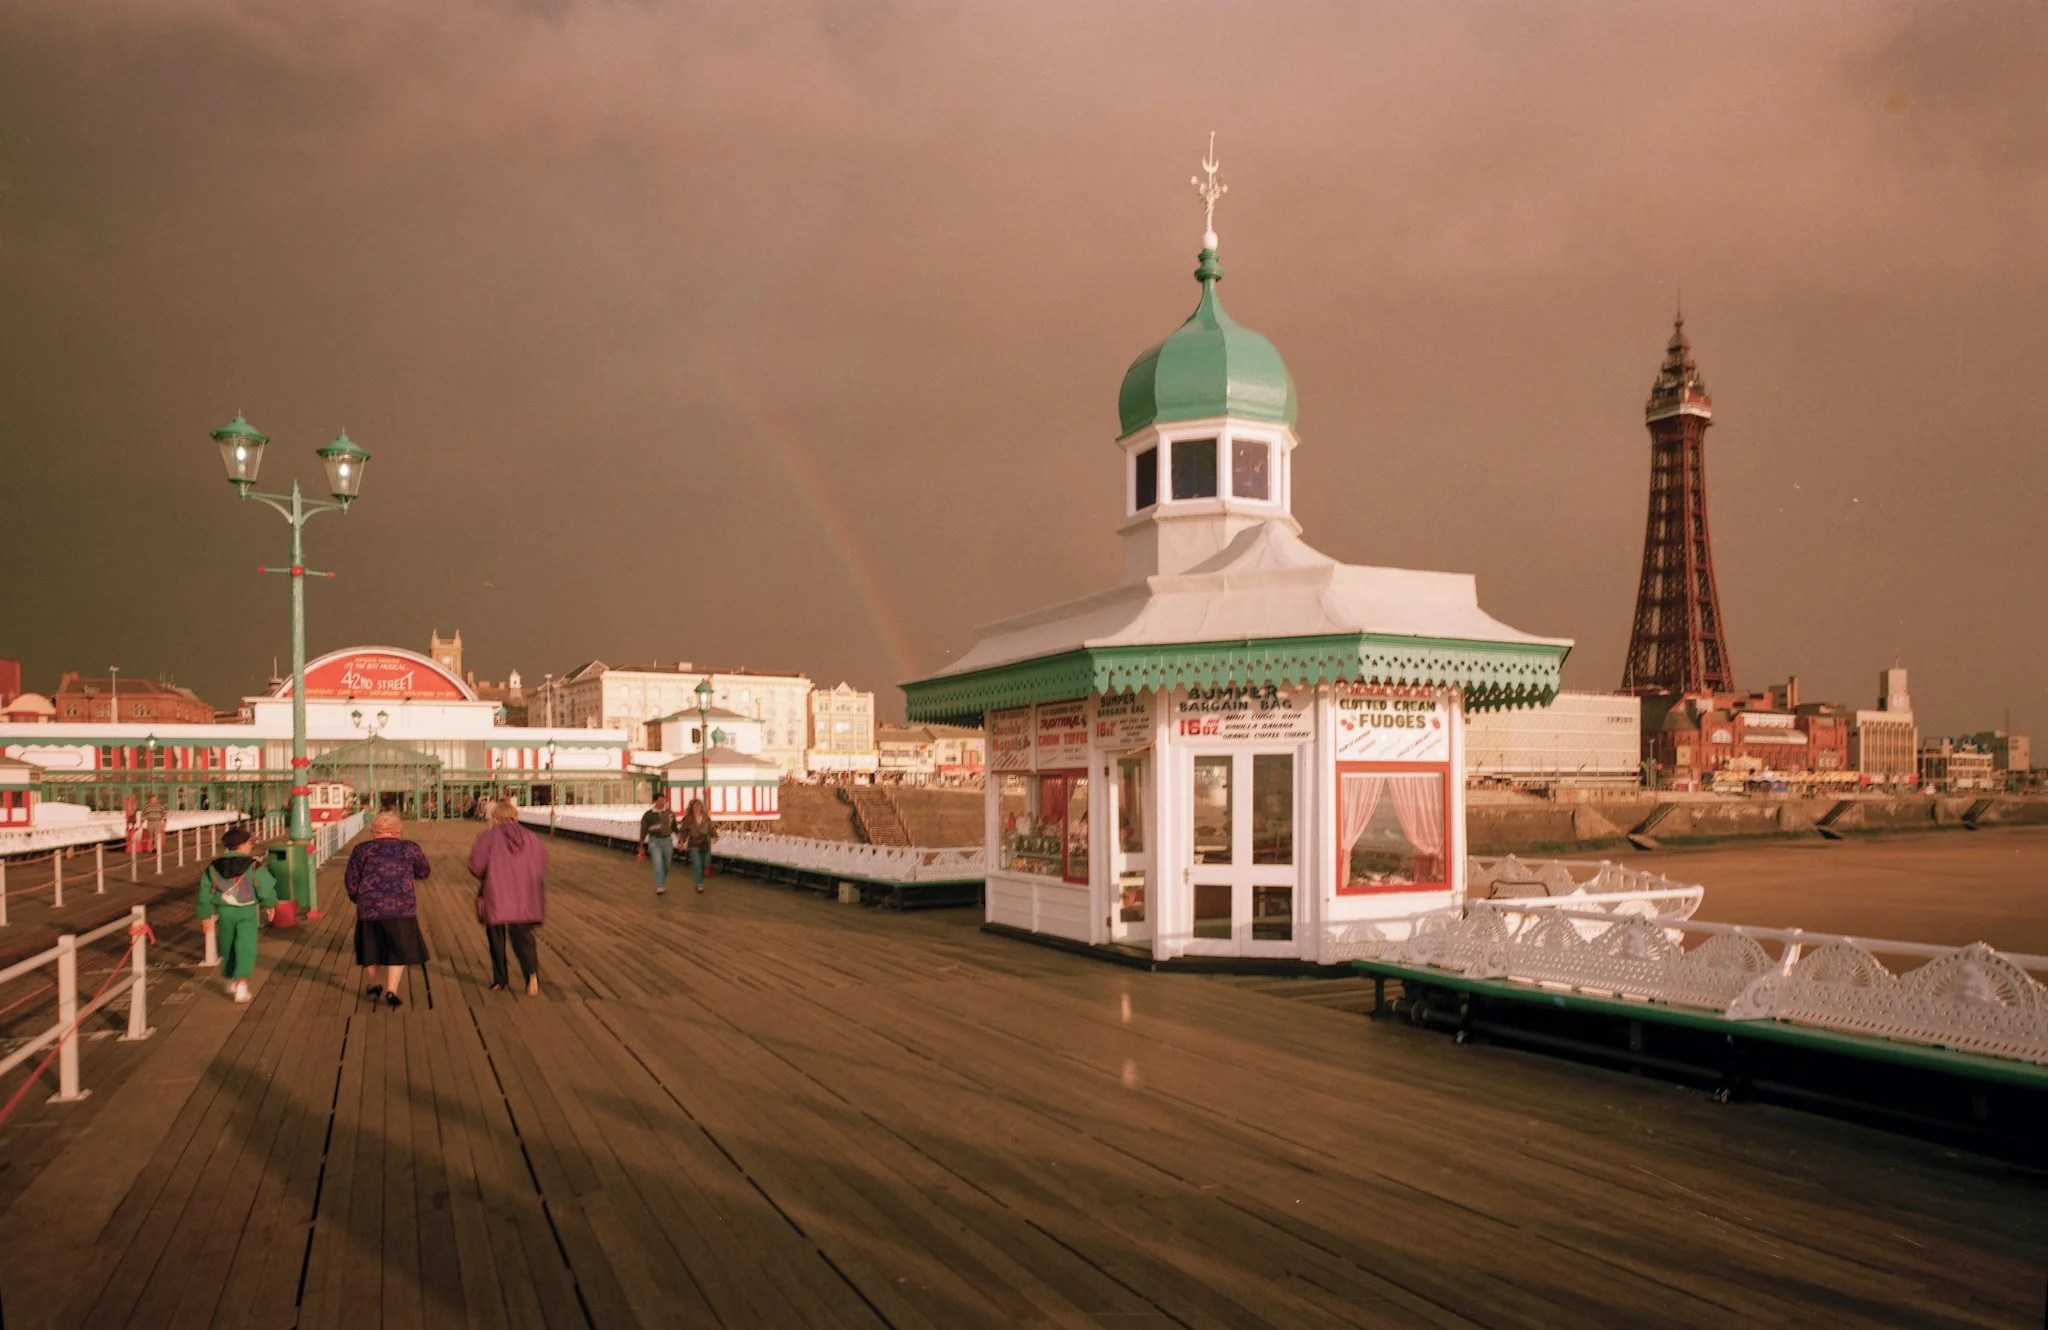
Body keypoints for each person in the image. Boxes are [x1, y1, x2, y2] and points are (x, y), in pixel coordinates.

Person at [343, 811, 432, 1008]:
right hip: (401, 907)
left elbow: (351, 879)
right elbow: (424, 871)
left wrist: (358, 898)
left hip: (370, 907)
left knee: (371, 946)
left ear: (374, 830)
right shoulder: (409, 848)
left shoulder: (362, 849)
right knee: (398, 948)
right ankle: (392, 990)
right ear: (398, 829)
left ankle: (376, 983)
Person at [468, 800, 547, 996]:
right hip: (525, 894)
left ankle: (500, 979)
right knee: (523, 936)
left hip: (495, 891)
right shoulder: (532, 837)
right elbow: (541, 863)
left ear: (495, 819)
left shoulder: (488, 837)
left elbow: (476, 867)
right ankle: (531, 976)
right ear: (515, 817)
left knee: (496, 936)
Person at [195, 826, 278, 1004]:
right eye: (249, 843)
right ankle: (241, 984)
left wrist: (205, 915)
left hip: (224, 912)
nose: (251, 846)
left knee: (228, 945)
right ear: (241, 845)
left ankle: (231, 979)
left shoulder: (214, 867)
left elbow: (204, 893)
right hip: (246, 912)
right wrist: (270, 905)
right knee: (245, 946)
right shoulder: (253, 866)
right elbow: (265, 889)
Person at [639, 792, 677, 896]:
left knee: (667, 864)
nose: (662, 802)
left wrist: (681, 840)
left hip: (667, 841)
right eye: (660, 800)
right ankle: (659, 886)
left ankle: (662, 881)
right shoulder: (648, 815)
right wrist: (641, 846)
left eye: (664, 800)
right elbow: (643, 831)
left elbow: (674, 827)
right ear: (654, 801)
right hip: (654, 841)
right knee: (658, 863)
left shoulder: (669, 813)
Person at [679, 796, 718, 893]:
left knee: (704, 864)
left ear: (702, 807)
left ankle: (700, 880)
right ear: (691, 807)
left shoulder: (706, 818)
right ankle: (699, 884)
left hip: (705, 843)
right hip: (694, 844)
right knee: (697, 864)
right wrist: (681, 842)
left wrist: (714, 836)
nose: (697, 808)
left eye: (699, 806)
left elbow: (712, 828)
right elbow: (683, 831)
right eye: (695, 806)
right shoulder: (687, 819)